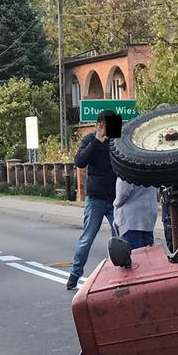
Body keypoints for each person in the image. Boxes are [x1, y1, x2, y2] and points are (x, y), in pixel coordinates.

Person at [67, 110, 121, 291]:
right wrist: (97, 141)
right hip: (96, 198)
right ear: (99, 125)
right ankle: (75, 274)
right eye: (107, 125)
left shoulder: (116, 142)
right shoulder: (89, 140)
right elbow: (80, 161)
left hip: (115, 199)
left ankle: (120, 272)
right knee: (87, 238)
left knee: (120, 236)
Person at [115, 178, 157, 250]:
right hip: (148, 217)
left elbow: (123, 192)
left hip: (131, 219)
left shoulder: (126, 168)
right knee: (147, 254)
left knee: (133, 256)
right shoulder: (152, 167)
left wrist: (116, 204)